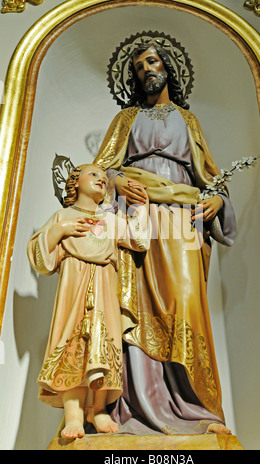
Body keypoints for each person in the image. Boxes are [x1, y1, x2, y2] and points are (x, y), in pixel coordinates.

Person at [93, 39, 237, 436]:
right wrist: (118, 181)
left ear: (167, 67)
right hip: (137, 219)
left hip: (181, 220)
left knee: (186, 302)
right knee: (134, 305)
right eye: (138, 67)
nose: (145, 71)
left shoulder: (188, 122)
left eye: (151, 62)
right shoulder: (126, 119)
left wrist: (218, 204)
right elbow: (97, 171)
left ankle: (196, 407)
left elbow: (211, 177)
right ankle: (139, 405)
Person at [27, 164, 149, 439]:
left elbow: (139, 239)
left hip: (105, 287)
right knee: (73, 344)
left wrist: (142, 206)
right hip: (74, 288)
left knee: (105, 343)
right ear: (74, 182)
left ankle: (99, 408)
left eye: (104, 178)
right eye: (93, 174)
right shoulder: (63, 216)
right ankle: (73, 413)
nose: (101, 180)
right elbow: (39, 257)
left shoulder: (110, 220)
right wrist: (61, 229)